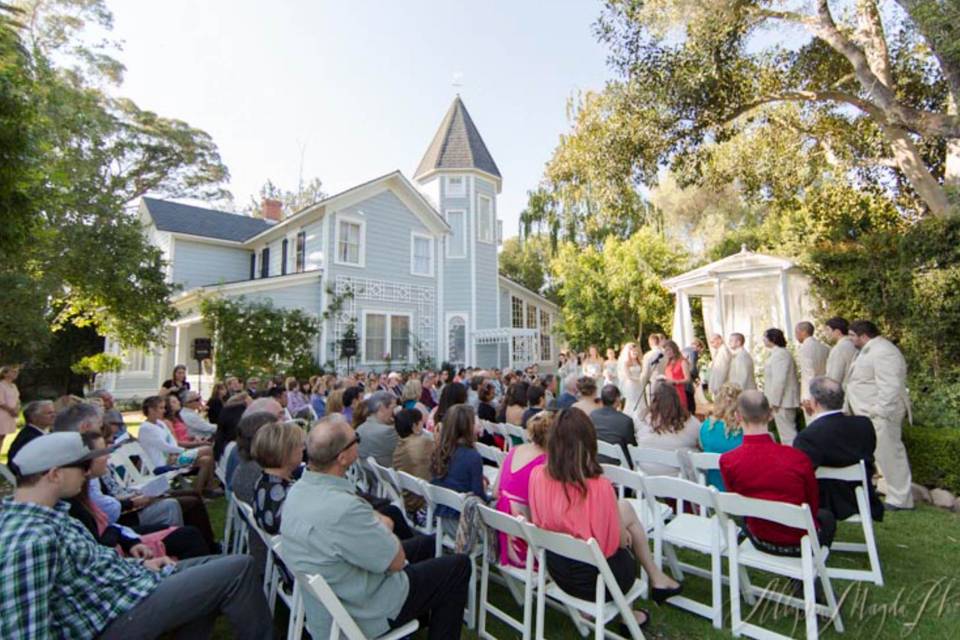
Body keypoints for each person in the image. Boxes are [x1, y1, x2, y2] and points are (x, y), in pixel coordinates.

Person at [3, 432, 271, 639]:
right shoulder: (29, 541)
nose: (88, 473)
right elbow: (26, 631)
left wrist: (141, 565)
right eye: (83, 467)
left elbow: (89, 567)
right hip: (114, 617)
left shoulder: (50, 513)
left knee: (214, 565)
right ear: (55, 474)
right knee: (238, 568)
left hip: (125, 587)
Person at [280, 414, 471, 640]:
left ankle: (426, 614)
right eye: (356, 439)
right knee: (458, 567)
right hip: (366, 608)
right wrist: (382, 525)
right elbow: (397, 561)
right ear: (342, 458)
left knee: (427, 544)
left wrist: (379, 524)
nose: (359, 442)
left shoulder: (298, 491)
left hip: (341, 588)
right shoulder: (343, 509)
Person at [528, 408, 681, 631]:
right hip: (600, 582)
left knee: (624, 509)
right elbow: (616, 544)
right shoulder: (599, 488)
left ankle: (656, 580)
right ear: (589, 441)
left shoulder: (537, 476)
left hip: (558, 571)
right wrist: (622, 531)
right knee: (624, 523)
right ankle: (642, 597)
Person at [720, 391, 836, 554]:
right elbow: (812, 503)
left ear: (738, 416)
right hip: (800, 542)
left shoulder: (728, 461)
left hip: (758, 538)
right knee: (827, 518)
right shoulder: (797, 458)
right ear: (770, 415)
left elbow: (736, 502)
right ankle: (812, 569)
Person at [71, 432, 210, 560]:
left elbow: (107, 523)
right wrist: (132, 504)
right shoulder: (78, 498)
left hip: (123, 532)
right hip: (123, 532)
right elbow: (106, 527)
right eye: (103, 452)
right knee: (186, 527)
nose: (108, 455)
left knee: (188, 510)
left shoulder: (84, 488)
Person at [794, 377, 884, 522]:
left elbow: (802, 474)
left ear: (814, 402)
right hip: (863, 497)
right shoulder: (864, 425)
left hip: (827, 503)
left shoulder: (808, 436)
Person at [845, 320, 914, 510]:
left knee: (891, 454)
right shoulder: (868, 350)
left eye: (852, 335)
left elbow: (890, 385)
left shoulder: (884, 351)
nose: (850, 339)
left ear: (863, 335)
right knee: (880, 455)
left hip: (882, 413)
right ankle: (888, 490)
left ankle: (901, 499)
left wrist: (879, 410)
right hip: (868, 413)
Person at [493, 411, 551, 567]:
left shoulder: (514, 450)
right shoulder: (546, 462)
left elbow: (494, 491)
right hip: (527, 546)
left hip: (504, 534)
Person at [138, 396, 216, 496]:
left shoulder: (160, 423)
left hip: (173, 458)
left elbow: (171, 440)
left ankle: (198, 493)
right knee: (208, 449)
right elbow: (164, 446)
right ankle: (209, 488)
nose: (164, 410)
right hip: (162, 463)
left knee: (206, 460)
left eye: (164, 407)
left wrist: (175, 453)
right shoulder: (146, 428)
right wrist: (182, 451)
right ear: (151, 410)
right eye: (161, 408)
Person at [431, 404, 486, 536]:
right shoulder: (472, 456)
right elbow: (479, 497)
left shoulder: (440, 449)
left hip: (443, 515)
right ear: (468, 427)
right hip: (463, 523)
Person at [251, 421, 306, 534]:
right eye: (300, 445)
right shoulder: (290, 494)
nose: (303, 449)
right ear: (286, 453)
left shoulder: (261, 481)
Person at [633, 383, 700, 475]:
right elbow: (699, 442)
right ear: (677, 400)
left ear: (654, 400)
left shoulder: (642, 420)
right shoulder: (691, 422)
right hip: (680, 478)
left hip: (648, 475)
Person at [698, 383, 744, 490]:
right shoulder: (745, 430)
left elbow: (702, 446)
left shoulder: (705, 427)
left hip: (713, 492)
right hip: (740, 493)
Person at [761, 328, 801, 446]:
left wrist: (774, 402)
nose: (763, 340)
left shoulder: (781, 355)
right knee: (785, 433)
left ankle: (794, 459)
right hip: (781, 401)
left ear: (772, 339)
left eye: (765, 337)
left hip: (783, 402)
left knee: (788, 434)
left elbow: (779, 380)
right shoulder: (777, 354)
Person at [393, 408, 434, 513]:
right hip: (424, 503)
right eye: (421, 423)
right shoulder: (423, 443)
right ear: (415, 426)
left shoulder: (400, 445)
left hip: (408, 499)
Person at [590, 385, 637, 467]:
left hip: (595, 463)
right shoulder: (626, 420)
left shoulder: (592, 415)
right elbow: (632, 447)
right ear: (618, 399)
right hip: (618, 466)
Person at [7, 399, 55, 476]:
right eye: (49, 413)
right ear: (34, 417)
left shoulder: (42, 432)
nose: (54, 416)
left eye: (53, 412)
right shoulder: (30, 438)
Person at [357, 391, 399, 467]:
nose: (394, 412)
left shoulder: (359, 429)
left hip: (367, 475)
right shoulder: (388, 432)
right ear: (382, 408)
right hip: (385, 477)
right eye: (392, 408)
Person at [795, 321, 829, 413]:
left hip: (812, 394)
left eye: (796, 332)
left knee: (814, 423)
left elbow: (808, 373)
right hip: (825, 390)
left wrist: (808, 397)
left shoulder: (804, 348)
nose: (796, 336)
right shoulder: (824, 348)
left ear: (803, 332)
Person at [823, 316, 857, 386]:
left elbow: (835, 376)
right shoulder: (854, 345)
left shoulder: (839, 348)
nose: (826, 333)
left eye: (828, 330)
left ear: (837, 332)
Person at [661, 339, 693, 411]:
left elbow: (688, 379)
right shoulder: (668, 363)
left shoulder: (682, 361)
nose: (667, 352)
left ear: (674, 349)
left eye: (669, 350)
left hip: (679, 392)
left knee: (681, 414)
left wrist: (675, 381)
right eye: (666, 351)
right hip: (668, 393)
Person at [617, 342, 648, 414]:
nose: (635, 353)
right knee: (632, 402)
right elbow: (628, 376)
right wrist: (638, 379)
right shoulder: (626, 363)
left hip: (639, 385)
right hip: (631, 385)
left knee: (641, 401)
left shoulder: (639, 362)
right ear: (629, 352)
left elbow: (642, 372)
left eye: (636, 351)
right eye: (633, 351)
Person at [0, 364, 21, 455]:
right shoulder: (1, 385)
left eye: (16, 371)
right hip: (2, 413)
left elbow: (17, 399)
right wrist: (11, 410)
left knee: (3, 436)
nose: (16, 373)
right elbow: (0, 401)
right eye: (13, 371)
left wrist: (17, 409)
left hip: (10, 415)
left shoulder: (14, 386)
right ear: (5, 374)